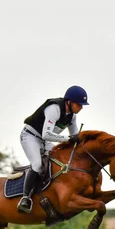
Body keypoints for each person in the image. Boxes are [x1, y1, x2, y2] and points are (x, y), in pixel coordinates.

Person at [17, 85, 89, 213]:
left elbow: (74, 136)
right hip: (30, 136)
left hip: (44, 140)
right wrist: (68, 138)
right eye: (79, 104)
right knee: (37, 164)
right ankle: (25, 198)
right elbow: (47, 134)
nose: (81, 107)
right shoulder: (54, 108)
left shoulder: (72, 116)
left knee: (59, 159)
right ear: (69, 102)